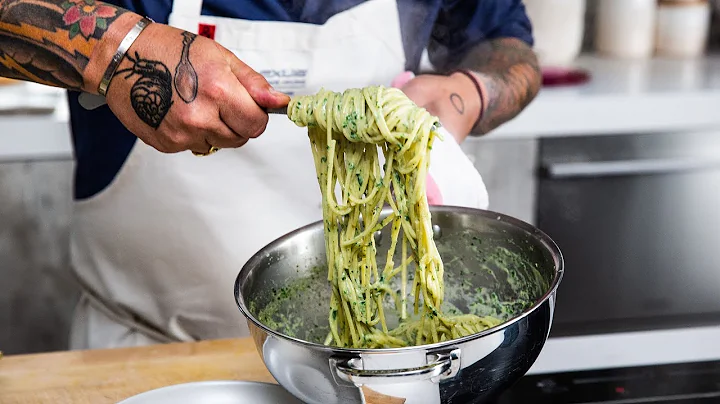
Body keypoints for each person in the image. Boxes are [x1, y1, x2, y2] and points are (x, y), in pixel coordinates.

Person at [0, 0, 541, 349]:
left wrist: (466, 94)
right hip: (143, 354)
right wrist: (119, 51)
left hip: (358, 360)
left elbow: (508, 46)